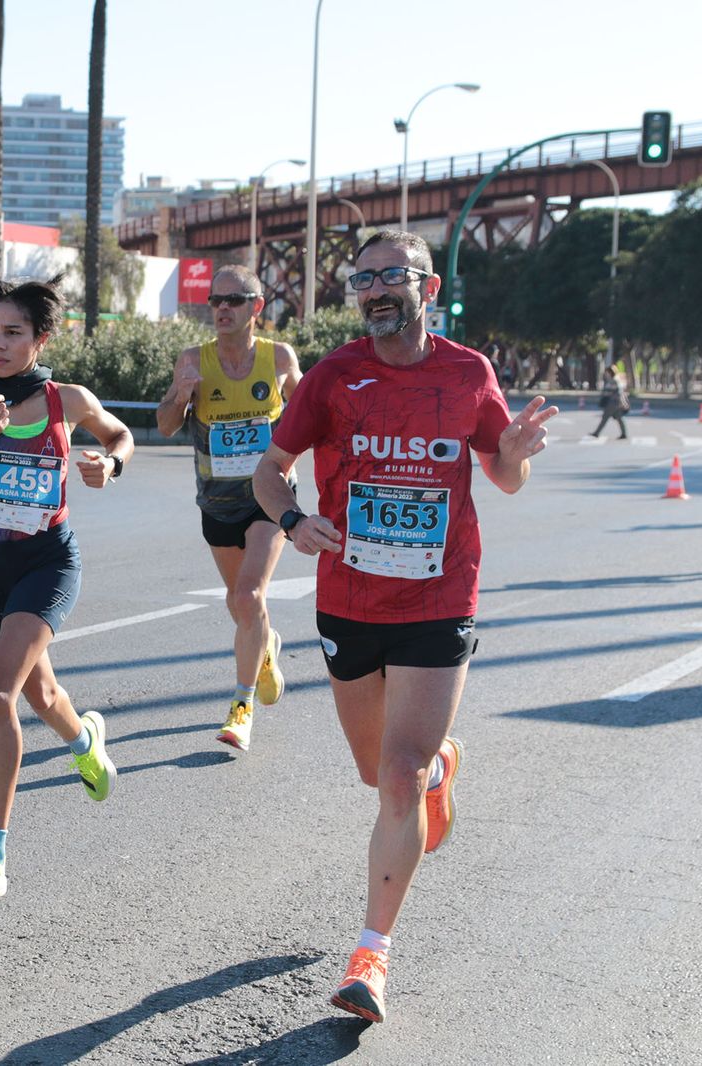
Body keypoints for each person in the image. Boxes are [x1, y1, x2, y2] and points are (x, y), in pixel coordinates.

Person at [251, 230, 556, 1024]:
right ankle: (442, 767)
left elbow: (503, 476)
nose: (376, 288)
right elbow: (268, 467)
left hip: (439, 596)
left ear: (427, 286)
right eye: (364, 279)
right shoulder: (333, 375)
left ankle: (371, 954)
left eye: (392, 275)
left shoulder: (467, 373)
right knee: (372, 769)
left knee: (398, 778)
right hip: (348, 598)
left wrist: (516, 454)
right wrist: (292, 520)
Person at [0, 276, 135, 904]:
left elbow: (121, 436)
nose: (0, 344)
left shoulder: (68, 400)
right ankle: (85, 739)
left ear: (41, 338)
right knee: (40, 689)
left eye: (14, 332)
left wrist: (109, 465)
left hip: (47, 561)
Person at [155, 264, 303, 751]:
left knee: (248, 598)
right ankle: (263, 650)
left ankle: (241, 707)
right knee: (240, 602)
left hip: (269, 495)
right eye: (215, 301)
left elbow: (311, 419)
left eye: (233, 300)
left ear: (256, 307)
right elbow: (166, 426)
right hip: (217, 502)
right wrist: (182, 394)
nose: (221, 309)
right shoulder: (192, 359)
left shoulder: (279, 358)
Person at [589, 365, 629, 439]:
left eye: (607, 372)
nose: (605, 373)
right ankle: (624, 434)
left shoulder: (614, 380)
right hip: (614, 402)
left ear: (610, 372)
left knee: (605, 417)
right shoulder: (613, 379)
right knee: (619, 418)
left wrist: (608, 395)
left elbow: (617, 392)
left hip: (613, 402)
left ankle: (597, 433)